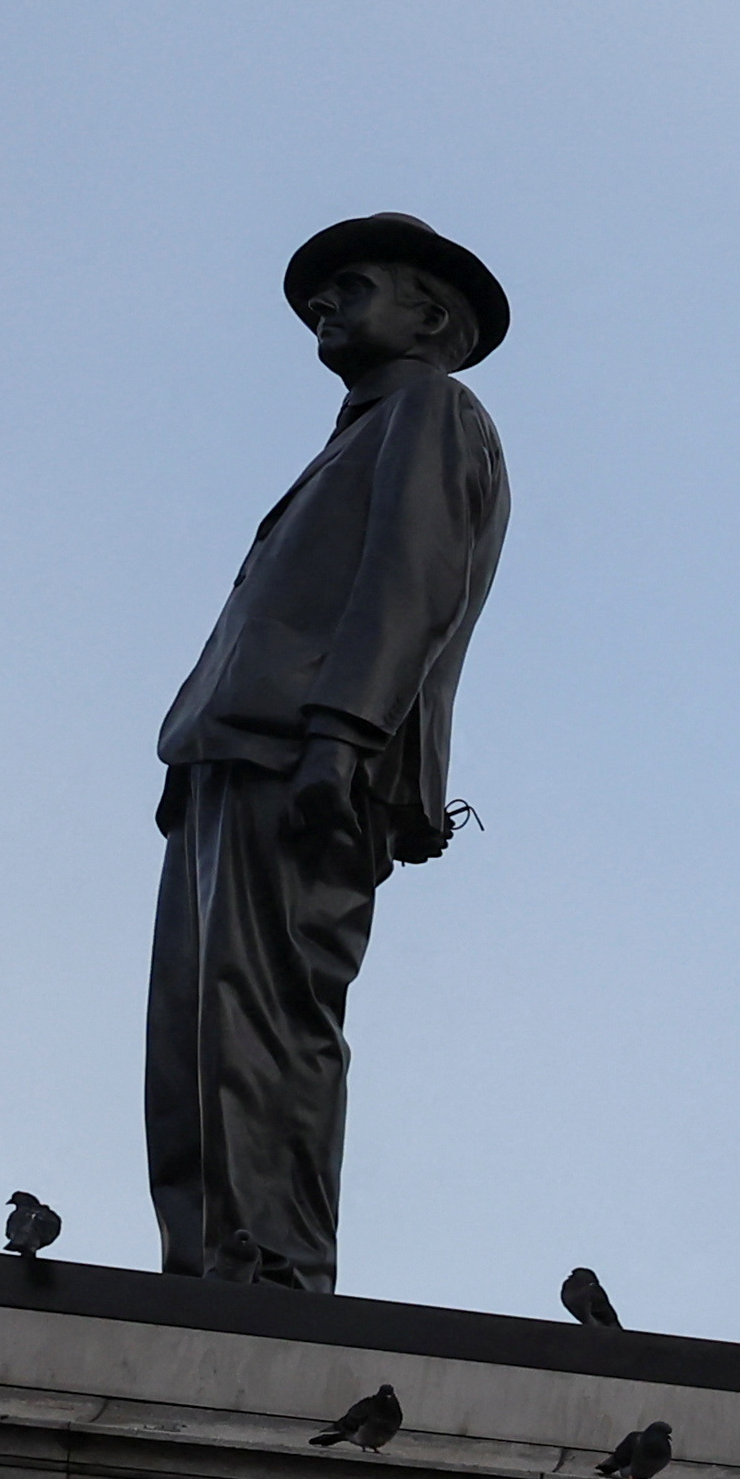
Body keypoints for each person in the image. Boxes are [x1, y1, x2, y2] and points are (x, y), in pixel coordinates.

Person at [146, 212, 511, 1292]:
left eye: (351, 288)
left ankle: (270, 1267)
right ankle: (206, 1261)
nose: (324, 308)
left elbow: (415, 576)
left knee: (264, 1017)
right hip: (232, 754)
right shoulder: (361, 435)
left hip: (301, 759)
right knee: (195, 1038)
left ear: (430, 315)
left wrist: (341, 738)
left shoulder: (434, 413)